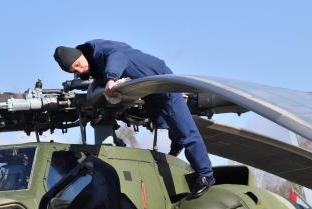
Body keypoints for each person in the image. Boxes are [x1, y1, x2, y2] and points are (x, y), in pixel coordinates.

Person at [53, 39, 215, 198]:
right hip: (150, 91)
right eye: (73, 70)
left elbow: (119, 55)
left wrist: (111, 77)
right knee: (162, 121)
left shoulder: (100, 50)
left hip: (162, 81)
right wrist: (99, 81)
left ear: (79, 55)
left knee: (187, 132)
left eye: (77, 65)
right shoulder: (92, 61)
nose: (79, 71)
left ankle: (205, 175)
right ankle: (177, 140)